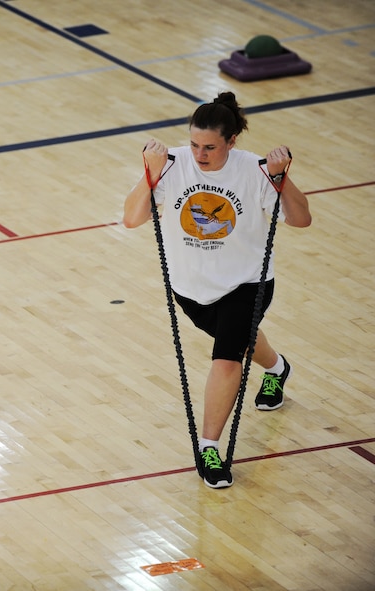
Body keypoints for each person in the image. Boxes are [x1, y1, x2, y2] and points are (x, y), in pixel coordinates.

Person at [122, 92, 311, 489]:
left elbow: (300, 219)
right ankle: (277, 368)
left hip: (248, 283)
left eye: (209, 147)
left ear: (231, 142)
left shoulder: (254, 169)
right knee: (240, 339)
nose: (200, 154)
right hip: (190, 289)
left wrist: (281, 178)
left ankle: (209, 448)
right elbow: (132, 219)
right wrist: (149, 173)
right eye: (194, 145)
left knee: (226, 358)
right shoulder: (170, 165)